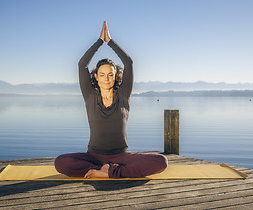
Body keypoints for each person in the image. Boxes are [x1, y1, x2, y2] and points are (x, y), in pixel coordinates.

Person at [54, 21, 168, 178]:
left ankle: (109, 172)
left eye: (110, 75)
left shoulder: (123, 95)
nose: (106, 79)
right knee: (61, 162)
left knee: (161, 161)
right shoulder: (90, 95)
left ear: (116, 76)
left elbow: (128, 63)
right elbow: (82, 65)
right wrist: (100, 41)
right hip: (93, 156)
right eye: (102, 75)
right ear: (96, 76)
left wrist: (110, 41)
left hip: (121, 156)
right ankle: (105, 169)